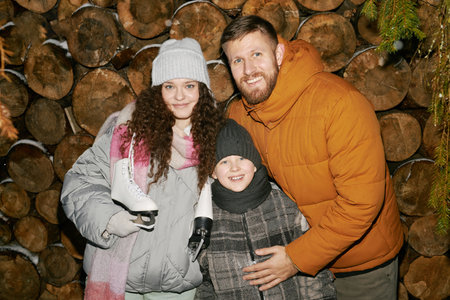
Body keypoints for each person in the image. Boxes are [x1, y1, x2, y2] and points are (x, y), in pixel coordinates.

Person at [220, 15, 404, 299]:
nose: (249, 69)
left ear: (279, 54)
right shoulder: (240, 116)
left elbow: (361, 203)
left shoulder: (340, 104)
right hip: (300, 263)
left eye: (257, 54)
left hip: (362, 264)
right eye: (237, 61)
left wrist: (296, 258)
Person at [60, 37, 224, 299]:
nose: (179, 96)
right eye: (169, 86)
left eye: (189, 85)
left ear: (202, 89)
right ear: (158, 89)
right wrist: (110, 220)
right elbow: (80, 182)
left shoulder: (218, 138)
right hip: (118, 278)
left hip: (177, 284)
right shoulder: (127, 130)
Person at [195, 119, 337, 300]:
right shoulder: (207, 216)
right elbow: (205, 281)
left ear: (254, 164)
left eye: (241, 157)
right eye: (224, 162)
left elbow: (314, 271)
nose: (235, 167)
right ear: (212, 172)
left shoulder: (285, 205)